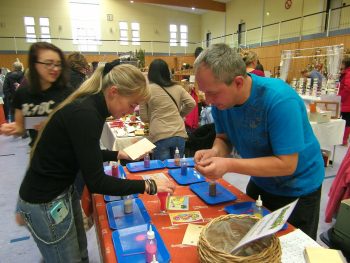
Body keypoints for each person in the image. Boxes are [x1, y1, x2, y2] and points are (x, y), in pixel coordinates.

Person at [17, 60, 176, 262]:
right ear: (113, 92)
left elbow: (85, 152)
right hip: (45, 200)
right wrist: (148, 185)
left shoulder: (94, 107)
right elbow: (97, 182)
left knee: (81, 253)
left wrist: (116, 155)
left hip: (61, 192)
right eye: (132, 104)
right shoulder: (86, 114)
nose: (132, 111)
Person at [193, 43, 324, 240]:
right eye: (204, 92)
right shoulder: (222, 103)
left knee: (291, 248)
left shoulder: (279, 100)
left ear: (238, 82)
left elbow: (287, 164)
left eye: (212, 92)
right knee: (252, 242)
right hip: (261, 182)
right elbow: (223, 138)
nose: (208, 100)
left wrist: (228, 164)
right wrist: (216, 152)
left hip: (297, 189)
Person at [0, 42, 72, 147]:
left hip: (65, 152)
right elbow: (21, 128)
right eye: (48, 63)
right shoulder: (23, 93)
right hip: (39, 154)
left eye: (58, 64)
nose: (55, 68)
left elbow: (76, 125)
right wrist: (13, 129)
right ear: (34, 64)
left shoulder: (67, 91)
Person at [139, 59, 195, 160]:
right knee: (177, 168)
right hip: (179, 133)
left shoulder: (146, 90)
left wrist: (154, 117)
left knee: (163, 170)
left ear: (150, 73)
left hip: (160, 135)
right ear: (167, 72)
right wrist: (179, 114)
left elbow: (144, 117)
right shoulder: (178, 87)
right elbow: (191, 103)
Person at [338, 56, 350, 146]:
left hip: (347, 103)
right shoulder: (346, 73)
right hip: (346, 102)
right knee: (346, 121)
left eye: (342, 63)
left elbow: (347, 88)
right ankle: (343, 139)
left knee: (346, 122)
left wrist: (340, 97)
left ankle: (343, 140)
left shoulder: (348, 73)